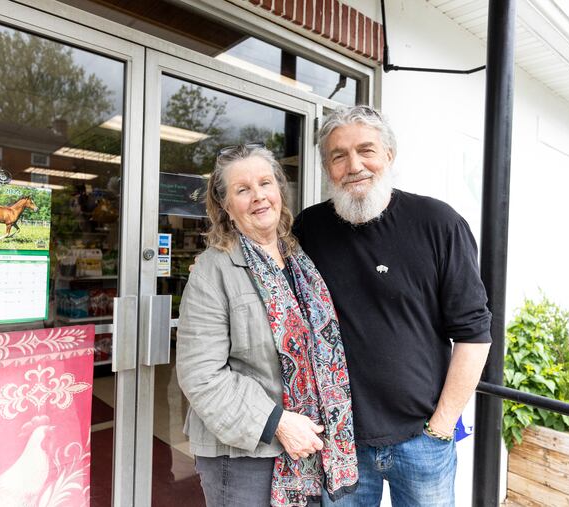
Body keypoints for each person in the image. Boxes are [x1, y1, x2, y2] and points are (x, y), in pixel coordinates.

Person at [293, 105, 493, 506]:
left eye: (366, 150)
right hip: (338, 441)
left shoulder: (438, 224)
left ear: (389, 155)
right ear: (326, 167)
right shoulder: (308, 230)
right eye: (338, 155)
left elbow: (474, 334)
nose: (354, 165)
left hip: (422, 441)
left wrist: (441, 426)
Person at [176, 144, 358, 507]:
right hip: (243, 455)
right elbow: (201, 374)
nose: (258, 196)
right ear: (226, 206)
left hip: (307, 447)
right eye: (242, 190)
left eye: (265, 183)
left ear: (279, 191)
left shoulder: (299, 260)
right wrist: (277, 422)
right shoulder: (214, 269)